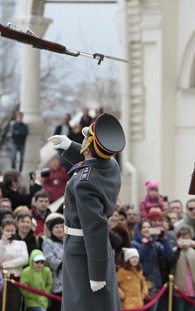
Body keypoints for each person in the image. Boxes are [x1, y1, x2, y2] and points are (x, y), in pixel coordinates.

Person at [48, 113, 126, 310]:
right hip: (96, 250)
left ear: (88, 147)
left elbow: (95, 228)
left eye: (83, 140)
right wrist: (69, 146)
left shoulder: (84, 183)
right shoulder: (112, 166)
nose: (80, 141)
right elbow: (96, 162)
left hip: (83, 250)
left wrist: (97, 273)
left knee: (81, 304)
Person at [0, 218, 28, 311]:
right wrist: (3, 243)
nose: (10, 232)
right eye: (7, 230)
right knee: (1, 307)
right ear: (2, 230)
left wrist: (5, 264)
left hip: (16, 279)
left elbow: (24, 259)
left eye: (12, 230)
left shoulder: (21, 243)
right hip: (1, 280)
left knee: (14, 306)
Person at [42, 214, 65, 311]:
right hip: (56, 282)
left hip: (69, 281)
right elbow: (49, 258)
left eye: (62, 227)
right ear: (51, 230)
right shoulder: (47, 242)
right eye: (57, 227)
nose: (60, 229)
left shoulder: (68, 241)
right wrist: (64, 264)